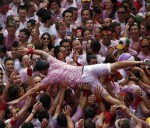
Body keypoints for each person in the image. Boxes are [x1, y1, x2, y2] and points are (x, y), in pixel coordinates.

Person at [9, 47, 150, 106]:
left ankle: (124, 107)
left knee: (107, 97)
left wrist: (19, 99)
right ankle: (141, 61)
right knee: (114, 66)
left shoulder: (50, 77)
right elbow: (41, 53)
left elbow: (33, 90)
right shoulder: (53, 60)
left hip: (84, 79)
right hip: (86, 69)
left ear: (42, 71)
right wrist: (29, 50)